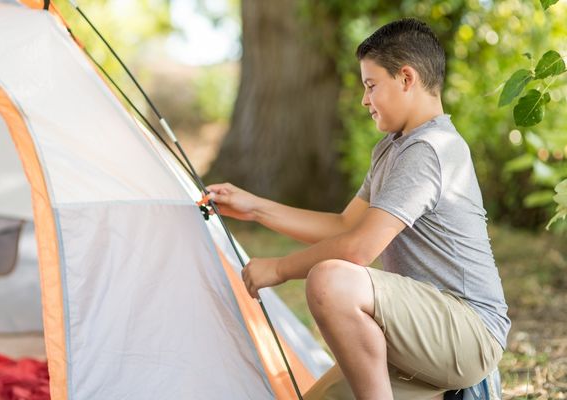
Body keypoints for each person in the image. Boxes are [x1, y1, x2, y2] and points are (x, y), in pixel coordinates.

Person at [207, 18, 510, 400]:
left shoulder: (430, 148)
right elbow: (345, 225)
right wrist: (254, 209)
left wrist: (280, 268)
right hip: (418, 334)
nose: (365, 100)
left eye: (371, 86)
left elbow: (358, 250)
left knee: (331, 280)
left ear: (406, 78)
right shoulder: (391, 148)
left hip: (467, 332)